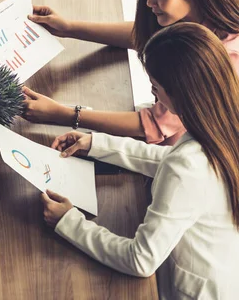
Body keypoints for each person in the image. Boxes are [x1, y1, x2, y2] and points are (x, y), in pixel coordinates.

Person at [41, 23, 239, 298]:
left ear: (181, 92)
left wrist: (68, 222)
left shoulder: (189, 167)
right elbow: (170, 159)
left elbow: (140, 260)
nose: (153, 95)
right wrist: (96, 144)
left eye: (156, 87)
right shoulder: (225, 122)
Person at [22, 0, 239, 146]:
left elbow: (152, 125)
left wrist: (63, 114)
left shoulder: (222, 58)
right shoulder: (196, 17)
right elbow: (146, 35)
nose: (149, 1)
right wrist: (68, 28)